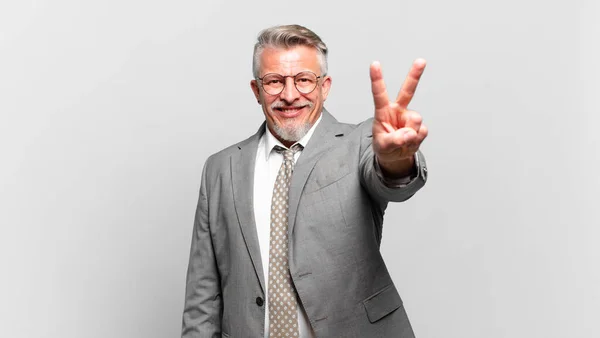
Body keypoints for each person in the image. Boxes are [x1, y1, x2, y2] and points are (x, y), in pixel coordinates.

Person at [182, 24, 429, 338]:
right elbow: (202, 294)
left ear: (324, 87)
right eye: (274, 81)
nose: (289, 94)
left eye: (303, 80)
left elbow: (388, 178)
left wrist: (396, 160)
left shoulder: (360, 142)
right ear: (256, 91)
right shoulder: (220, 168)